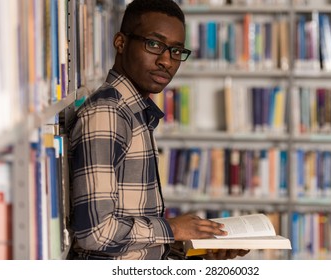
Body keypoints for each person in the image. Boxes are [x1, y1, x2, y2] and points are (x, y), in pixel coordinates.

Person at [68, 0, 249, 260]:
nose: (167, 61)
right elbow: (95, 232)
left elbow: (133, 240)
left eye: (176, 50)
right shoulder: (108, 114)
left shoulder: (134, 111)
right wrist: (173, 229)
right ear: (120, 42)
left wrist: (197, 252)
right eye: (154, 44)